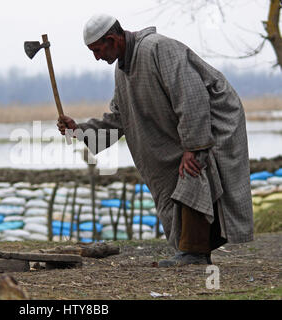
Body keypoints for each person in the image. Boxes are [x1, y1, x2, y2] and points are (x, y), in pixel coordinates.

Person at [57, 14, 254, 267]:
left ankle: (194, 253)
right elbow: (121, 118)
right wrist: (80, 130)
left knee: (193, 170)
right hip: (185, 131)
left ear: (112, 39)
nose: (96, 57)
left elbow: (191, 96)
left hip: (211, 122)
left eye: (97, 50)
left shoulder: (158, 48)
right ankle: (192, 250)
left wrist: (193, 147)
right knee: (175, 179)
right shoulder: (122, 70)